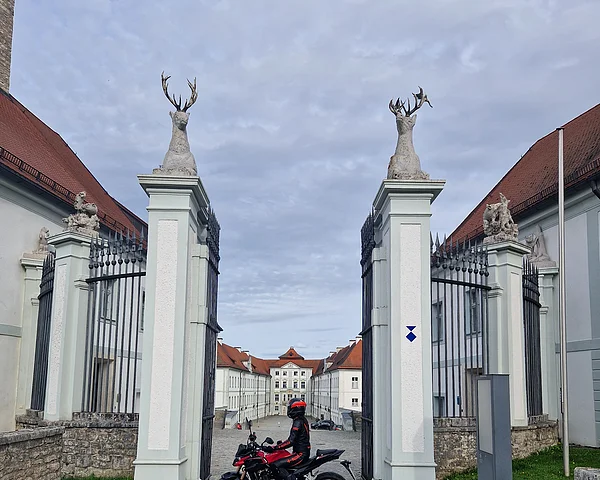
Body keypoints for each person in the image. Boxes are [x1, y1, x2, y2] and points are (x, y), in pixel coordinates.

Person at [263, 398, 310, 479]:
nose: (289, 410)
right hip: (302, 452)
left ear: (296, 409)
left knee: (275, 465)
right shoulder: (301, 420)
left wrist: (275, 447)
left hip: (300, 454)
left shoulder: (298, 422)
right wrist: (280, 445)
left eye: (290, 408)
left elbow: (291, 441)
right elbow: (296, 439)